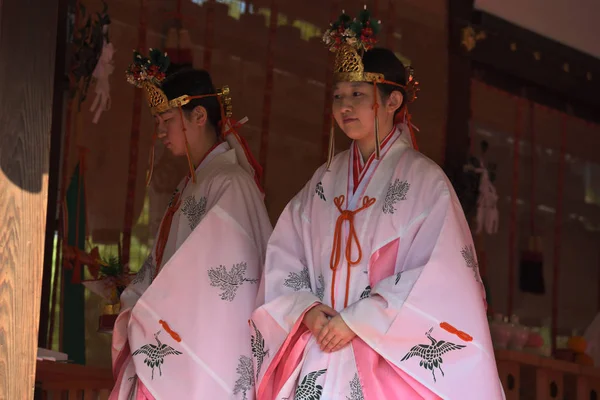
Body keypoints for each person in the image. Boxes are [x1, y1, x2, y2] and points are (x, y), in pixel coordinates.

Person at [249, 8, 504, 400]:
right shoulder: (325, 181)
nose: (344, 106)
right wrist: (308, 311)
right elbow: (288, 252)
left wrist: (358, 320)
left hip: (383, 355)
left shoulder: (424, 182)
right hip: (322, 346)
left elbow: (440, 276)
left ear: (392, 101)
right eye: (338, 96)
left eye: (357, 95)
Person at [110, 49, 272, 399]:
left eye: (167, 120)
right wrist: (139, 304)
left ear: (199, 116)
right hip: (177, 334)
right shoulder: (193, 182)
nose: (161, 132)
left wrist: (154, 312)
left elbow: (225, 285)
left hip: (205, 347)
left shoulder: (231, 183)